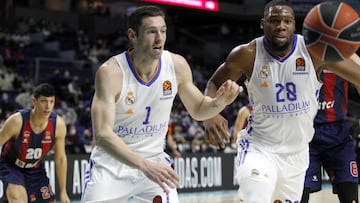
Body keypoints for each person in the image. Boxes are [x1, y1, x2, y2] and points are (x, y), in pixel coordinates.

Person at [203, 0, 360, 202]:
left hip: (296, 155)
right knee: (256, 194)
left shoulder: (314, 53)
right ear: (262, 23)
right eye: (274, 20)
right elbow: (213, 83)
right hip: (260, 147)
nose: (281, 26)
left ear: (295, 25)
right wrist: (211, 113)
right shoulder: (247, 54)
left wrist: (347, 45)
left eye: (287, 21)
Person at [81, 5, 241, 203]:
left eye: (163, 31)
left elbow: (199, 109)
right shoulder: (110, 73)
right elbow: (103, 136)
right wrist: (143, 164)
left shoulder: (176, 65)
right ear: (132, 35)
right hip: (112, 166)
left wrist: (220, 102)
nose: (159, 38)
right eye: (151, 32)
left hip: (155, 164)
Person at [0, 83, 70, 203]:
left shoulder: (58, 125)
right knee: (18, 197)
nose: (48, 106)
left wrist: (63, 191)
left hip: (35, 168)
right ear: (34, 101)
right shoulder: (17, 121)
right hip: (11, 165)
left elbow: (61, 159)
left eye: (51, 102)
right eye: (43, 101)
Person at [300, 68, 359, 203]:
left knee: (350, 197)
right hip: (304, 138)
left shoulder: (342, 58)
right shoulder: (296, 57)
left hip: (338, 137)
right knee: (298, 197)